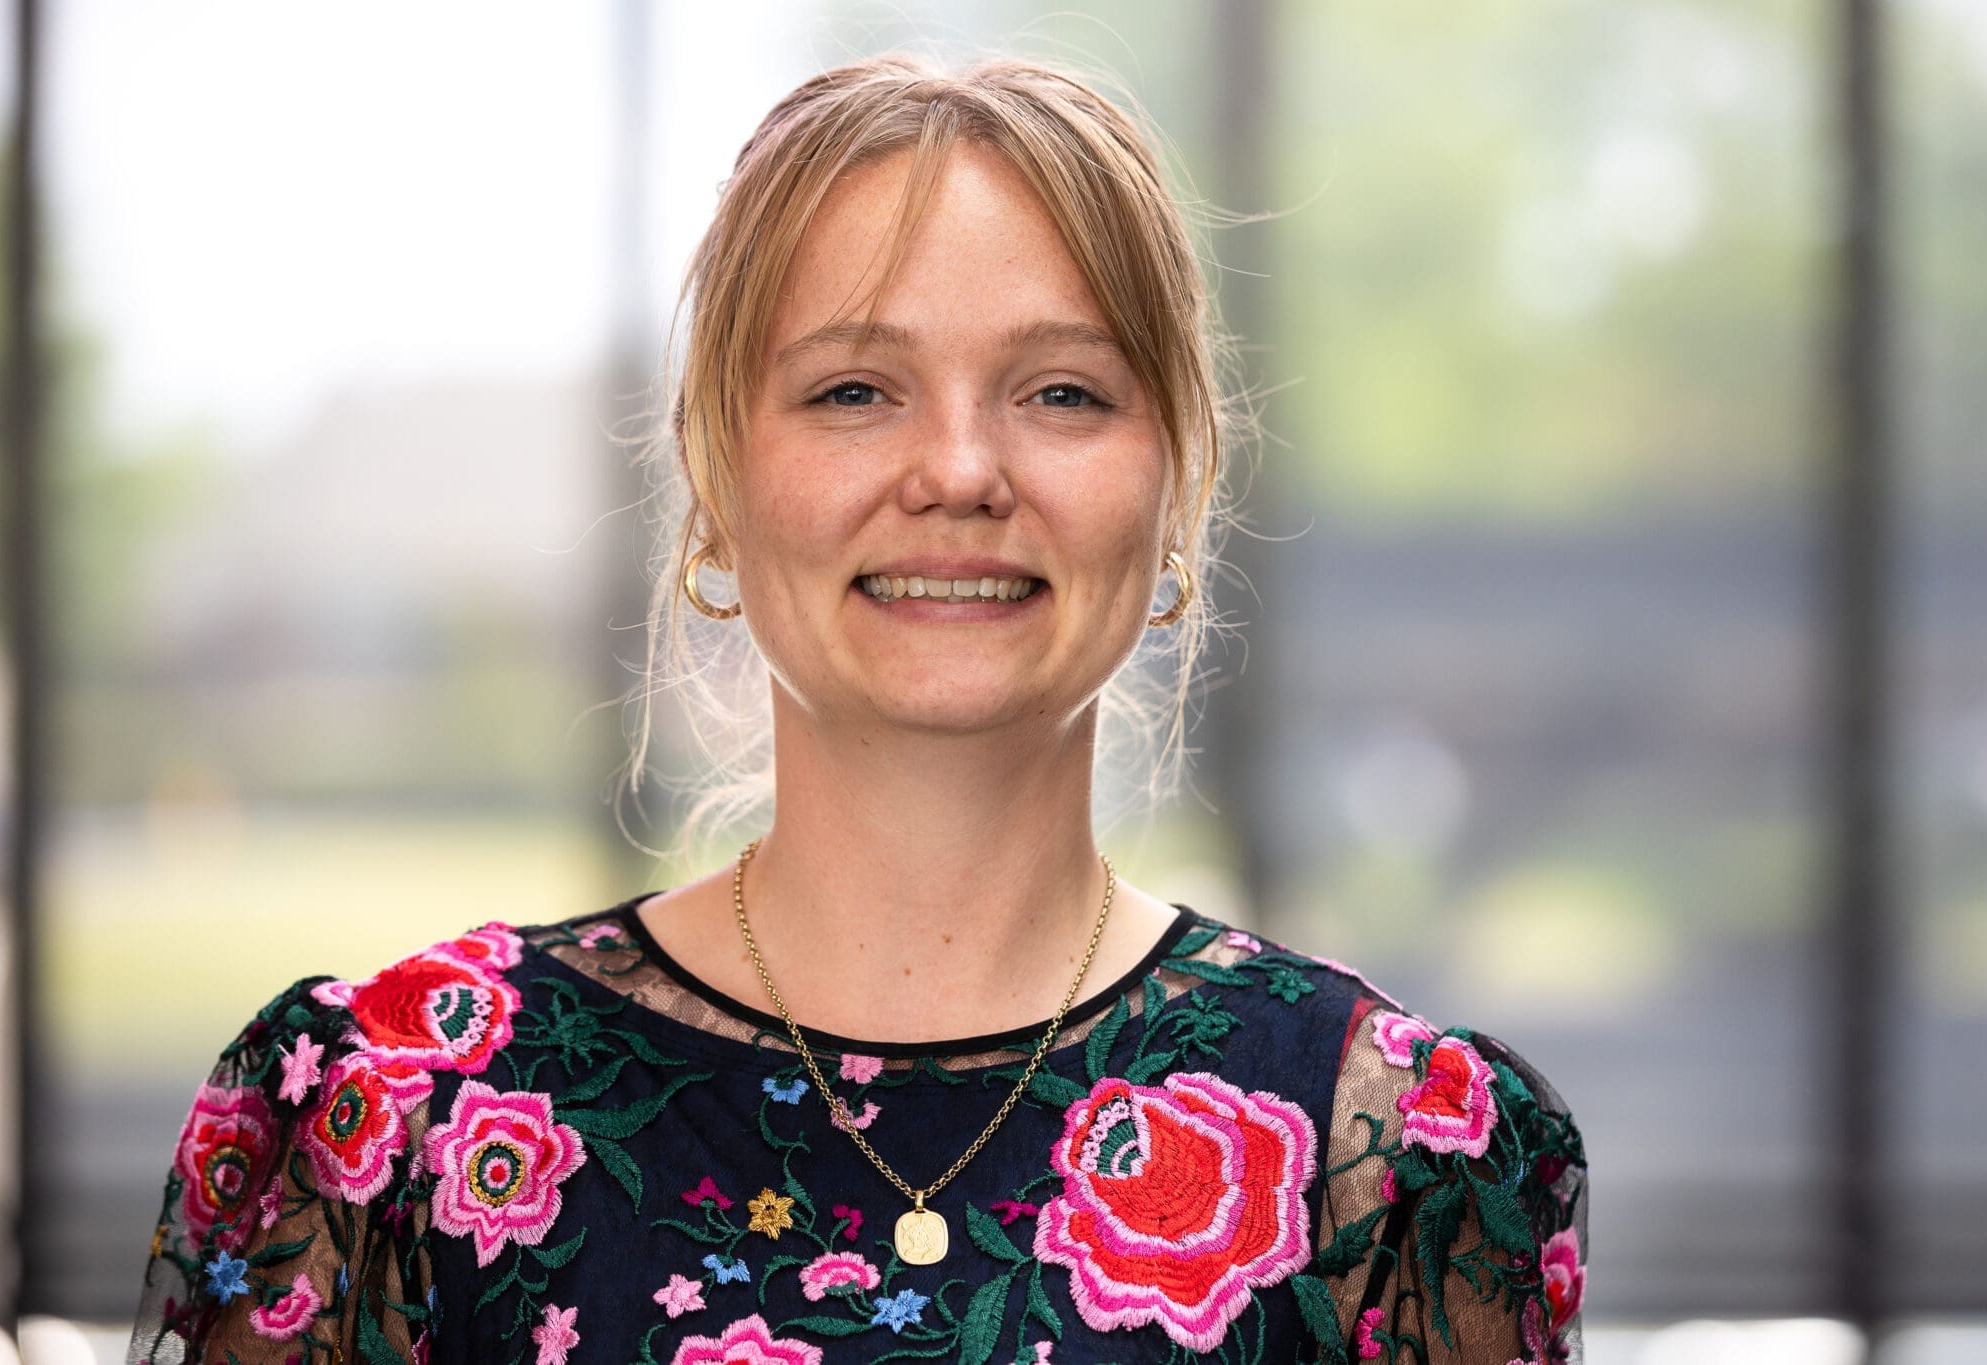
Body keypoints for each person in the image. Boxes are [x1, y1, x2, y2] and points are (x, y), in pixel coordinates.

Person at [124, 53, 1587, 1365]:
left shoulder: (1393, 1161)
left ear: (1178, 489)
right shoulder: (394, 1119)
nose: (959, 471)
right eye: (853, 392)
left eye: (1062, 393)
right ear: (715, 480)